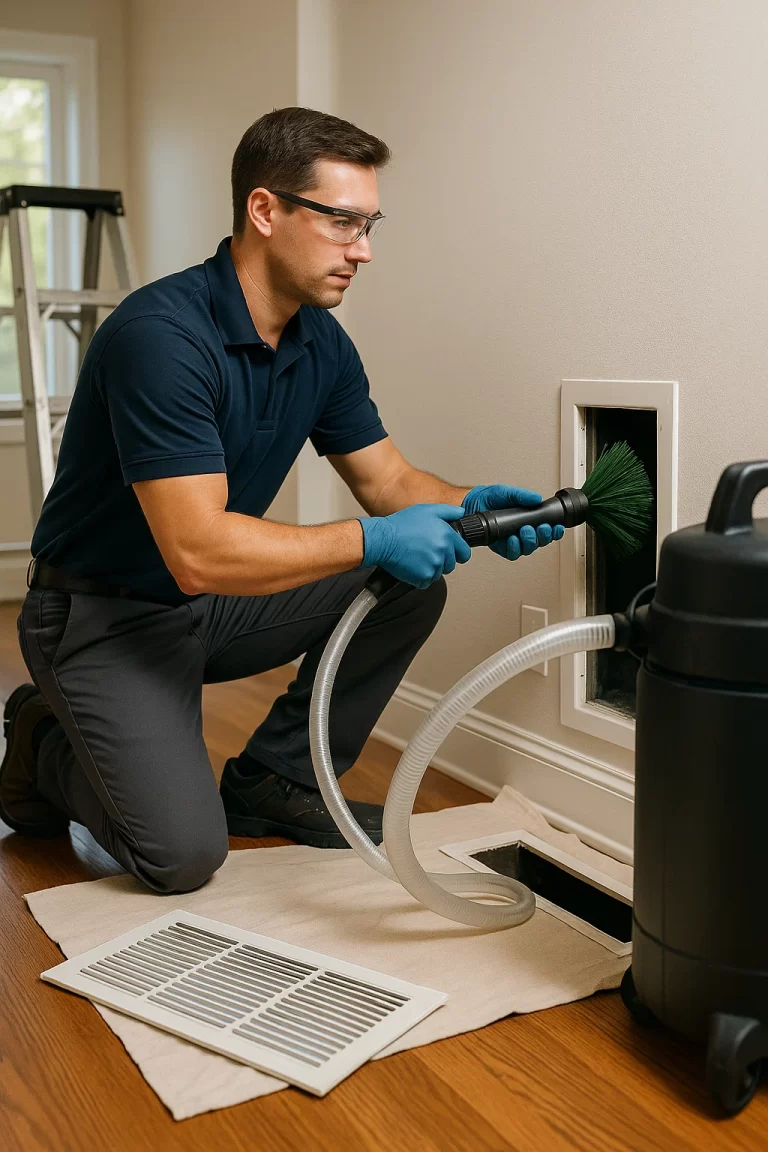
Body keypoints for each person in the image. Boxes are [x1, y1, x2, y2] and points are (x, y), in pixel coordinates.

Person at [0, 107, 563, 894]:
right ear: (264, 211)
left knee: (409, 586)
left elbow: (390, 484)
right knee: (182, 857)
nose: (362, 250)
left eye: (369, 224)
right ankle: (44, 736)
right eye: (341, 222)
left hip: (205, 607)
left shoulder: (319, 341)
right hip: (98, 618)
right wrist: (371, 540)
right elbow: (196, 551)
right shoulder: (160, 337)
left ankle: (278, 780)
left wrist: (477, 506)